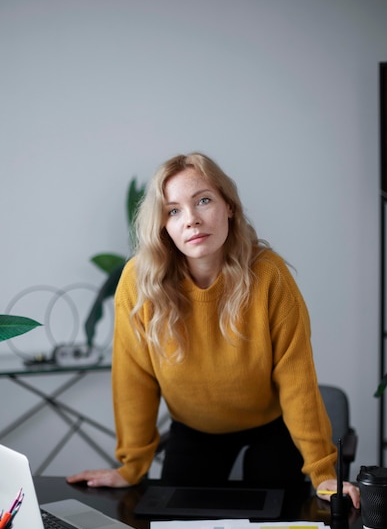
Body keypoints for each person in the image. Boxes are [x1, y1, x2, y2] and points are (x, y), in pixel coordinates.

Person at [67, 152, 360, 508]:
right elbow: (134, 379)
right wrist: (132, 467)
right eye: (173, 210)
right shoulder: (138, 280)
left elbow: (296, 377)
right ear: (163, 225)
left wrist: (323, 472)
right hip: (193, 432)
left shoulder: (269, 275)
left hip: (272, 428)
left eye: (203, 200)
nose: (191, 220)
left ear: (229, 207)